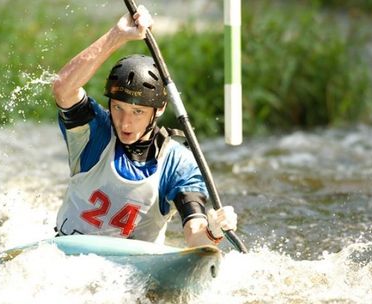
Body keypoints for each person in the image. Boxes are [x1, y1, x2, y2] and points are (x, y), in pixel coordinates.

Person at [52, 5, 238, 247]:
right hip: (68, 258)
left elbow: (195, 238)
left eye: (138, 112)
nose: (125, 122)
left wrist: (213, 231)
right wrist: (116, 36)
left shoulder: (179, 164)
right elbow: (63, 88)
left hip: (132, 272)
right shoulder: (94, 132)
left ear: (158, 110)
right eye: (118, 108)